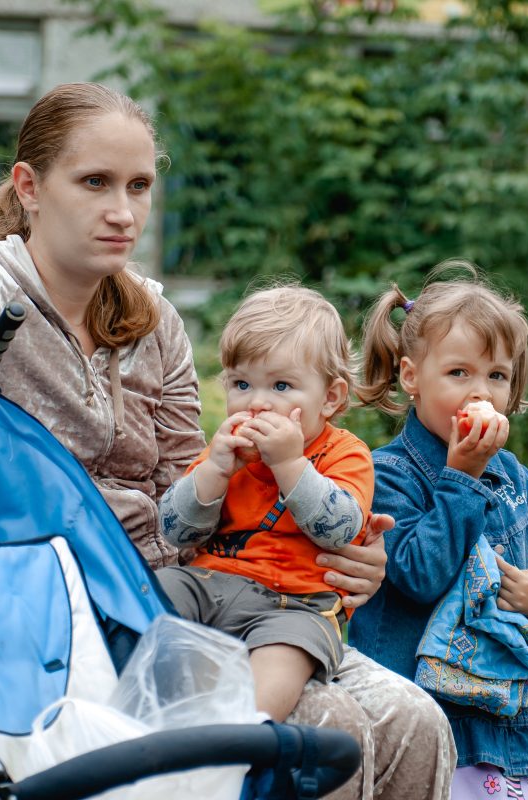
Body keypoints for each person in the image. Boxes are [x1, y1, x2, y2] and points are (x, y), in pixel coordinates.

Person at [0, 83, 455, 800]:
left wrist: (343, 551)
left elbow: (195, 491)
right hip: (48, 619)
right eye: (94, 182)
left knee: (416, 721)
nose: (123, 212)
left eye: (139, 185)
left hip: (194, 593)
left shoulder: (153, 318)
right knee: (329, 727)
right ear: (29, 188)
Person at [349, 262, 528, 799]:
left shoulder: (515, 477)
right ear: (412, 377)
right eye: (459, 374)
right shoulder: (386, 473)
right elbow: (418, 576)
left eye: (496, 376)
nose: (480, 391)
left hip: (506, 710)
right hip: (427, 712)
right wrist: (460, 479)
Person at [156, 285, 374, 722]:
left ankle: (241, 735)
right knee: (157, 593)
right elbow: (175, 531)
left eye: (281, 385)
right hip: (208, 584)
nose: (257, 402)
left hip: (295, 604)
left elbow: (339, 529)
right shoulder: (225, 453)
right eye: (241, 383)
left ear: (330, 398)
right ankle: (141, 708)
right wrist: (214, 473)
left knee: (287, 652)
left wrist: (291, 464)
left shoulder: (345, 454)